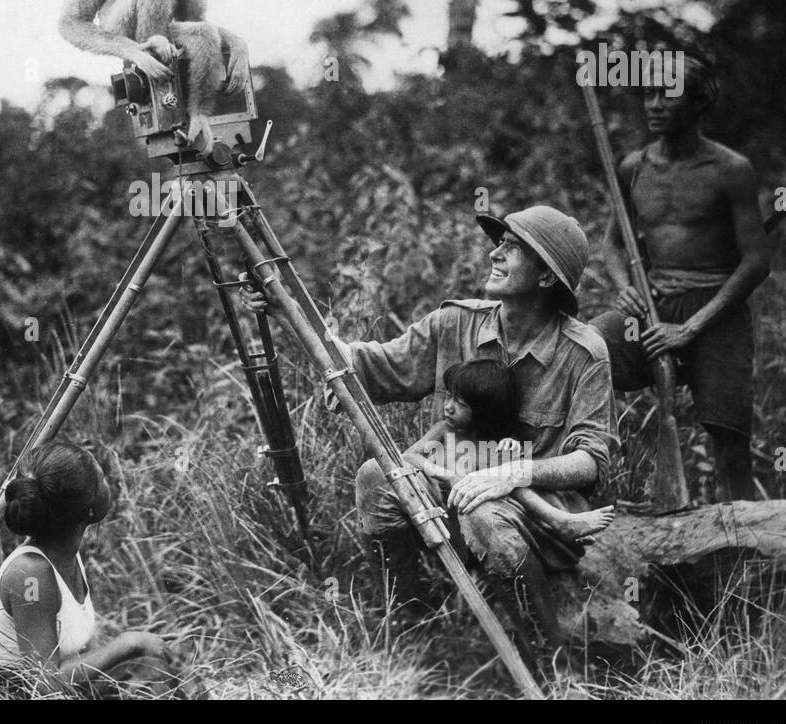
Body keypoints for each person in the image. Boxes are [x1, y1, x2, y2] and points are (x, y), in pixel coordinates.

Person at [245, 205, 617, 655]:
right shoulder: (455, 322)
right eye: (499, 243)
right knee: (377, 478)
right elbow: (368, 366)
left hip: (537, 512)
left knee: (484, 514)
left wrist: (512, 474)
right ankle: (411, 626)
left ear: (544, 278)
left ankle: (550, 656)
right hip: (456, 481)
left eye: (513, 248)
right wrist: (285, 310)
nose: (496, 254)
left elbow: (591, 459)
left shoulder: (583, 352)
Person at [589, 60, 770, 502]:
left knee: (730, 447)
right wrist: (622, 287)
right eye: (648, 94)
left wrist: (691, 328)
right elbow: (612, 246)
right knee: (581, 352)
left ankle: (749, 553)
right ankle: (578, 490)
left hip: (715, 311)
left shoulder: (731, 169)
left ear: (698, 101)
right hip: (651, 309)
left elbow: (756, 261)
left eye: (667, 95)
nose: (653, 105)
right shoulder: (634, 167)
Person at [0, 440, 181, 697]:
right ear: (87, 508)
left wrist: (137, 650)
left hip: (54, 691)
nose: (108, 483)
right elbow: (43, 683)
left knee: (154, 665)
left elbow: (82, 657)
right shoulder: (31, 573)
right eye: (101, 478)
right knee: (148, 670)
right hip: (13, 694)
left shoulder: (64, 552)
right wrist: (128, 643)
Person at [405, 359, 615, 545]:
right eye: (449, 397)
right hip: (447, 507)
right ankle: (558, 522)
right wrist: (446, 474)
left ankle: (560, 522)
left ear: (483, 412)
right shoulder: (444, 430)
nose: (448, 407)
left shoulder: (496, 440)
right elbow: (409, 456)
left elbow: (513, 471)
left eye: (460, 404)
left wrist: (511, 446)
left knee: (512, 480)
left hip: (487, 510)